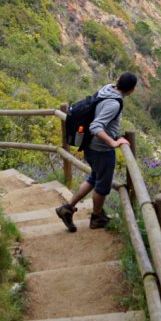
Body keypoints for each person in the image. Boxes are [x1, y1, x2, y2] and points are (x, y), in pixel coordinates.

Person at [55, 72, 137, 231]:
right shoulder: (114, 104)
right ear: (132, 90)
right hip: (101, 150)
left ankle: (67, 208)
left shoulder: (107, 89)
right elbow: (96, 126)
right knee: (102, 186)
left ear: (117, 81)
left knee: (94, 178)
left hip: (90, 146)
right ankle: (97, 218)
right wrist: (113, 142)